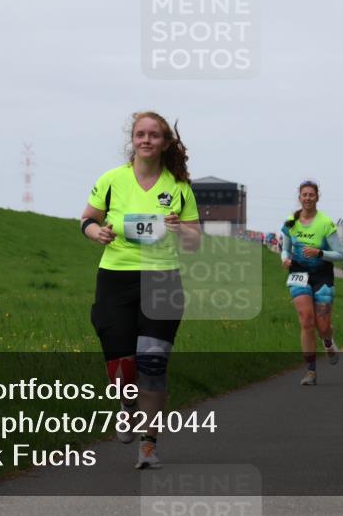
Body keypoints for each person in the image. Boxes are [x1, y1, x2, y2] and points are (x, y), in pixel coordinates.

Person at [80, 111, 201, 469]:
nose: (146, 140)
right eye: (140, 134)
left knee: (153, 362)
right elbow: (87, 219)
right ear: (132, 140)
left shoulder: (179, 187)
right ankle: (127, 404)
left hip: (162, 278)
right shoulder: (111, 180)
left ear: (165, 143)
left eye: (153, 135)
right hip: (115, 278)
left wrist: (180, 230)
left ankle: (149, 444)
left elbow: (195, 242)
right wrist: (97, 233)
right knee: (121, 369)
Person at [281, 180, 343, 385]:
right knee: (306, 321)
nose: (307, 198)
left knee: (323, 326)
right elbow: (285, 248)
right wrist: (284, 258)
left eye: (311, 194)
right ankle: (310, 371)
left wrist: (319, 253)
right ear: (299, 197)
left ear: (317, 197)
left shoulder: (325, 223)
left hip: (322, 276)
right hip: (298, 274)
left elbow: (340, 255)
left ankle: (328, 341)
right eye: (304, 194)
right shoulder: (291, 221)